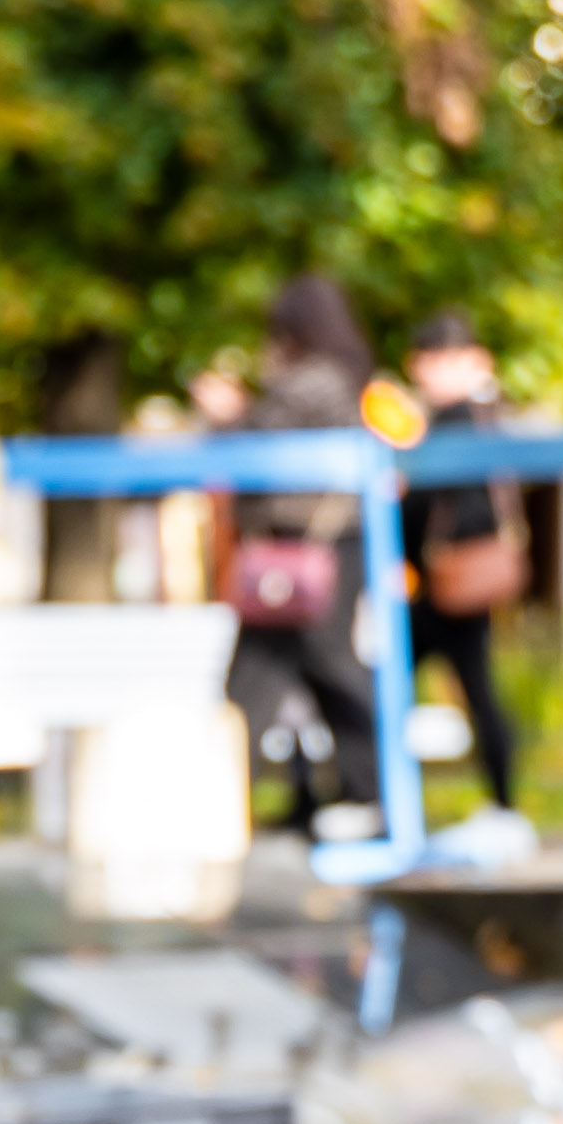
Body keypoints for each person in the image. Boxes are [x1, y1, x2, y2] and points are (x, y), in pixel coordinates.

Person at [221, 275, 383, 832]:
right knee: (293, 667)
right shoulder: (343, 375)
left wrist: (228, 410)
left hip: (315, 545)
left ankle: (225, 789)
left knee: (303, 665)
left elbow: (250, 438)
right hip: (319, 544)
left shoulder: (311, 380)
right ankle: (362, 793)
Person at [399, 311, 527, 813]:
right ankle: (501, 799)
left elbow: (426, 505)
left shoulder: (456, 423)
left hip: (450, 578)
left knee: (390, 682)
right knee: (476, 687)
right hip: (456, 577)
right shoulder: (486, 418)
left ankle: (378, 794)